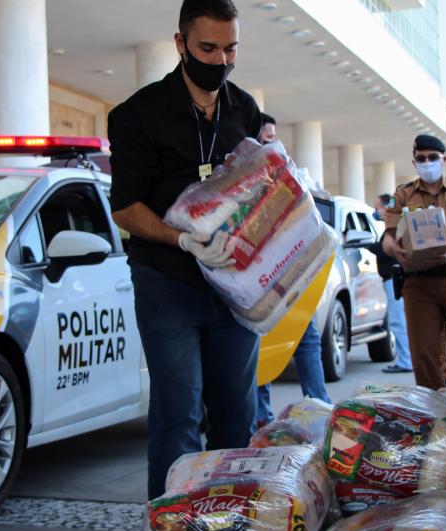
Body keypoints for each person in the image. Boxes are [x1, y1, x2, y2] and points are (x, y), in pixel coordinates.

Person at [107, 0, 262, 501]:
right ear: (181, 44)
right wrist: (180, 238)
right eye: (208, 48)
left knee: (237, 417)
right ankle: (173, 529)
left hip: (234, 287)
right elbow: (125, 206)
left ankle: (229, 525)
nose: (221, 60)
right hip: (167, 282)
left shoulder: (244, 110)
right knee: (179, 415)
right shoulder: (138, 115)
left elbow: (257, 191)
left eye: (231, 48)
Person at [254, 113, 331, 427]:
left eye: (274, 137)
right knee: (260, 347)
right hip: (259, 279)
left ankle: (320, 407)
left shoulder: (287, 173)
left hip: (291, 272)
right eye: (265, 138)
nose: (272, 143)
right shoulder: (244, 178)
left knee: (306, 337)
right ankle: (261, 417)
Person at [382, 134, 446, 390]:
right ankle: (434, 405)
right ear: (414, 162)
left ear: (444, 160)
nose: (427, 163)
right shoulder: (403, 195)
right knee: (423, 354)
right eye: (421, 159)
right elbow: (388, 238)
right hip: (418, 282)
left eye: (433, 157)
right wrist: (395, 249)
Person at [371, 193, 413, 374]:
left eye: (378, 207)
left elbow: (386, 251)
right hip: (392, 279)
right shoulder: (390, 229)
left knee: (397, 321)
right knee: (399, 320)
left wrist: (366, 246)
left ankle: (406, 361)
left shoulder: (396, 228)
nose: (377, 211)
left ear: (387, 207)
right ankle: (406, 359)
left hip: (393, 278)